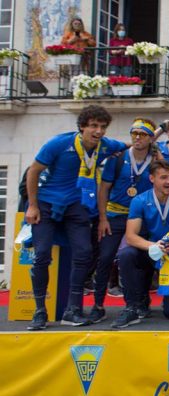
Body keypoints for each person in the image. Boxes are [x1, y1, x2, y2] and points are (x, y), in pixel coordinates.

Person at [25, 106, 127, 331]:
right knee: (41, 255)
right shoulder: (59, 144)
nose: (98, 131)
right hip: (47, 204)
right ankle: (39, 310)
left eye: (102, 127)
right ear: (82, 127)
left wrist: (158, 133)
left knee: (84, 253)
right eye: (93, 126)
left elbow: (131, 144)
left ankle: (73, 309)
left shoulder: (106, 145)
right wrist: (32, 205)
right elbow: (33, 171)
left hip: (76, 205)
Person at [112, 160, 169, 328]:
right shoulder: (139, 200)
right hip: (152, 251)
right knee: (126, 254)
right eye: (163, 177)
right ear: (152, 179)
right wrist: (153, 246)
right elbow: (130, 236)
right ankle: (133, 305)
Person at [91, 118, 158, 324]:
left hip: (142, 218)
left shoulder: (155, 160)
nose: (137, 137)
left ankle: (141, 300)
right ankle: (98, 305)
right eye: (134, 133)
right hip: (116, 215)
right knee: (105, 258)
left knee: (144, 258)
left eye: (143, 134)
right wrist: (102, 217)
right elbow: (104, 189)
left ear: (150, 138)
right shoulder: (117, 158)